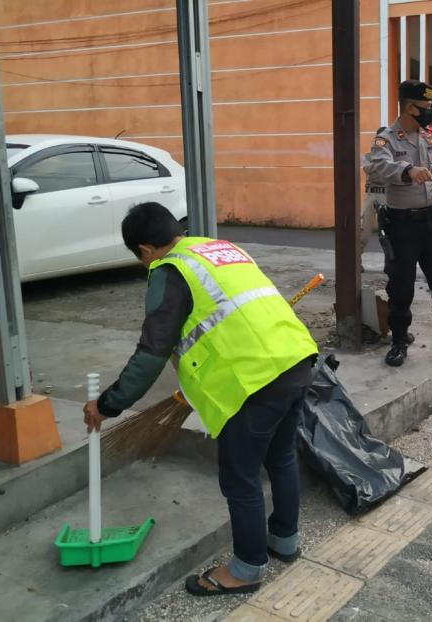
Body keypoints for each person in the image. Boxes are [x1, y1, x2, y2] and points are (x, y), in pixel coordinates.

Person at [82, 202, 318, 596]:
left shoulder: (170, 270)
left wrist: (108, 404)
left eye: (140, 259)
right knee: (281, 458)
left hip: (253, 382)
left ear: (144, 250)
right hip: (296, 360)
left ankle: (245, 570)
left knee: (239, 480)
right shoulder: (219, 248)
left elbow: (151, 353)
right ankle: (284, 541)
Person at [364, 79, 432, 367]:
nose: (428, 113)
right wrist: (408, 170)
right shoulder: (386, 138)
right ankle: (399, 341)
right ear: (409, 107)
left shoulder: (430, 137)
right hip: (402, 226)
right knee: (401, 286)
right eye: (424, 108)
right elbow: (377, 166)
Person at [360, 127, 389, 269]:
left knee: (390, 232)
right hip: (371, 194)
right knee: (362, 231)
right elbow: (367, 168)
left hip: (387, 195)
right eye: (379, 139)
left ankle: (390, 264)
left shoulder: (391, 156)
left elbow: (391, 171)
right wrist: (380, 165)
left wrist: (380, 165)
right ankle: (355, 263)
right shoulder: (368, 156)